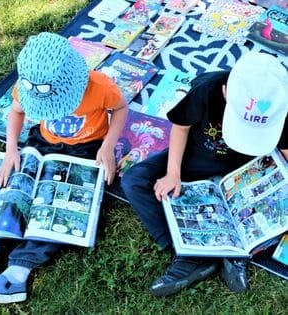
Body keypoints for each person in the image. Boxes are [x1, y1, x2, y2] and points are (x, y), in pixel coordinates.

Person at [0, 32, 128, 303]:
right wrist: (11, 149)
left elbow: (121, 108)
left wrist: (107, 146)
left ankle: (18, 272)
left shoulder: (100, 86)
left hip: (86, 147)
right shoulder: (28, 86)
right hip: (42, 142)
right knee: (12, 188)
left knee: (62, 206)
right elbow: (17, 112)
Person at [121, 51, 288, 297]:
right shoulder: (207, 89)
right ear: (225, 92)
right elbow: (180, 127)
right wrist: (173, 173)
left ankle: (238, 254)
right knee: (134, 180)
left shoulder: (280, 102)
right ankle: (190, 256)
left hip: (243, 172)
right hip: (195, 161)